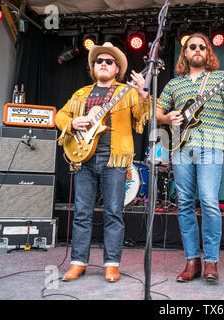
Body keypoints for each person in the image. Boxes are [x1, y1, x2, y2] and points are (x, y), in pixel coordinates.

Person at [56, 42, 150, 282]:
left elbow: (142, 118)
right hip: (84, 159)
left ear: (117, 68)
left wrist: (143, 94)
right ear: (93, 67)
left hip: (114, 160)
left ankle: (111, 264)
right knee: (82, 213)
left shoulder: (126, 92)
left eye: (109, 61)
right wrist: (71, 123)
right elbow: (60, 115)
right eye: (100, 61)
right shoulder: (81, 94)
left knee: (113, 213)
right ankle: (78, 262)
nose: (104, 64)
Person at [156, 33, 224, 283]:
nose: (196, 49)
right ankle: (192, 261)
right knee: (184, 203)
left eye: (202, 47)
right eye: (191, 46)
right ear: (184, 53)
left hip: (211, 145)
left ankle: (211, 262)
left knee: (208, 201)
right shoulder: (174, 84)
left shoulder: (219, 78)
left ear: (208, 53)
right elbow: (156, 113)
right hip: (181, 148)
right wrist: (166, 118)